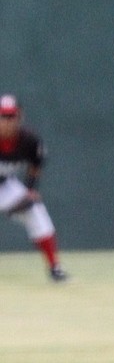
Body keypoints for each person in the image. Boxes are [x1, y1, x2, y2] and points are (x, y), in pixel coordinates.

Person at [0, 94, 68, 282]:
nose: (7, 121)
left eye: (11, 116)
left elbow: (36, 164)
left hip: (5, 185)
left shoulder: (29, 140)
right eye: (3, 117)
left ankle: (55, 267)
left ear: (19, 117)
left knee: (36, 211)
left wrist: (30, 189)